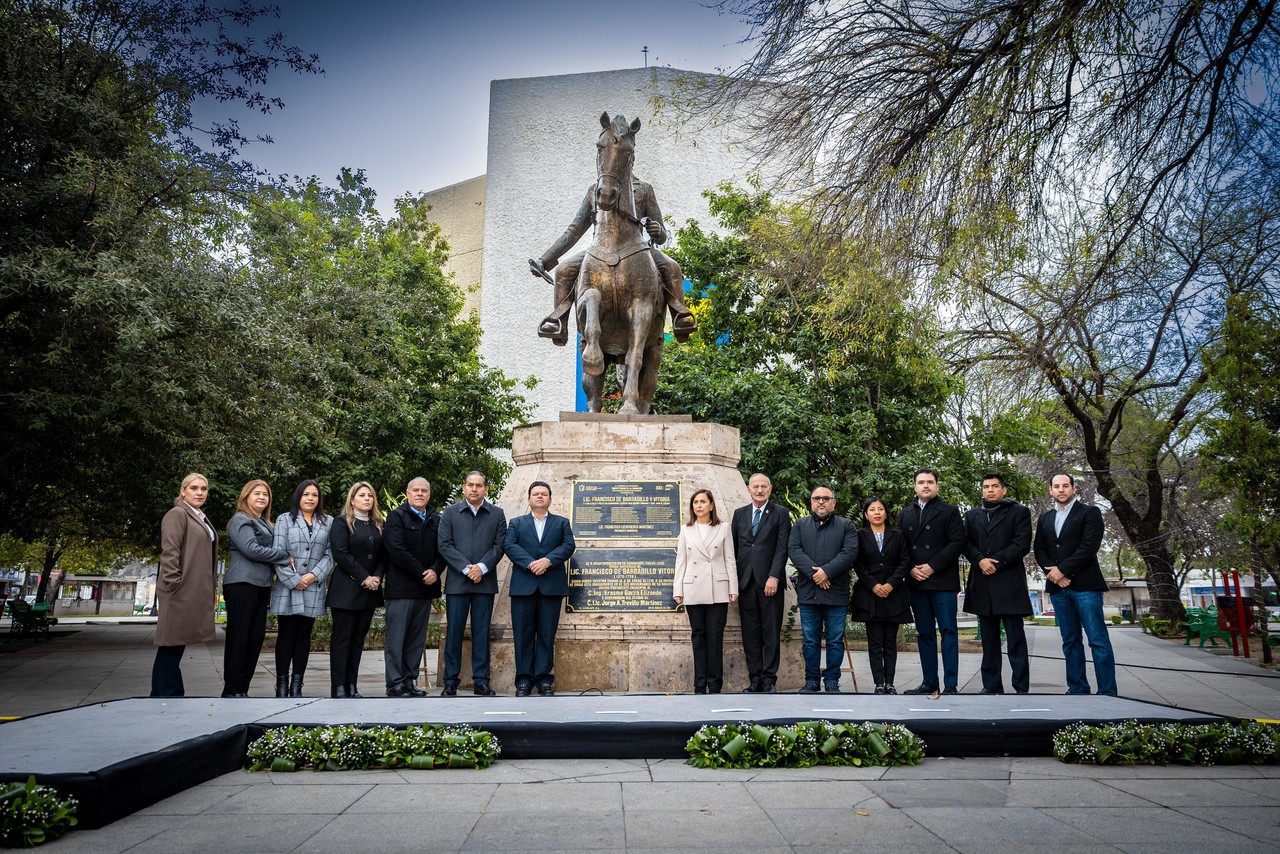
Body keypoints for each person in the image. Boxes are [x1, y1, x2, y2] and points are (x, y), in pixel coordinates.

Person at [529, 175, 696, 345]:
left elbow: (660, 234)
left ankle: (680, 317)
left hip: (636, 249)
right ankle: (559, 323)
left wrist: (658, 231)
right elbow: (574, 231)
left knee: (671, 267)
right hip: (599, 250)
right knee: (564, 270)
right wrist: (545, 260)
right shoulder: (594, 190)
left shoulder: (644, 189)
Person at [1034, 472, 1117, 696]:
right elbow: (1039, 550)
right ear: (1050, 490)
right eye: (1056, 486)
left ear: (1074, 489)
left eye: (1065, 486)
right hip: (1059, 590)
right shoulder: (1045, 518)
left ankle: (1108, 692)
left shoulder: (1090, 513)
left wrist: (1063, 570)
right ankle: (1078, 688)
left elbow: (1089, 547)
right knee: (1070, 642)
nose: (1061, 490)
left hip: (1086, 587)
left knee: (1098, 641)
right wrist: (1054, 574)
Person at [437, 471, 507, 696]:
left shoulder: (497, 514)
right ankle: (450, 681)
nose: (474, 489)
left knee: (481, 633)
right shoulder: (450, 513)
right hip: (458, 582)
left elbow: (500, 545)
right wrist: (468, 568)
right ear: (463, 487)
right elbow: (445, 545)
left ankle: (481, 681)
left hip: (484, 583)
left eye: (479, 485)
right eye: (470, 485)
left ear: (486, 489)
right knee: (454, 632)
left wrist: (482, 568)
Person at [963, 473, 1034, 694]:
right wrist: (979, 560)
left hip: (1009, 583)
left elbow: (1021, 544)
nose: (990, 490)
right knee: (989, 641)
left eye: (995, 486)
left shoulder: (1019, 512)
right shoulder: (971, 515)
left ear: (1003, 490)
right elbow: (965, 542)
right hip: (982, 585)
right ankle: (991, 686)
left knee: (1016, 640)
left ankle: (1021, 686)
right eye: (986, 487)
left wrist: (996, 562)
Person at [504, 481, 576, 696]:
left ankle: (545, 680)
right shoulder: (517, 523)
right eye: (535, 494)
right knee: (523, 635)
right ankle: (524, 681)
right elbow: (509, 546)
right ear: (529, 499)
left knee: (546, 634)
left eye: (544, 494)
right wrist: (530, 563)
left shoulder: (561, 523)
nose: (539, 497)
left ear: (550, 499)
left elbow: (568, 546)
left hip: (550, 587)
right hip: (523, 587)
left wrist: (547, 561)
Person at [898, 469, 966, 695]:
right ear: (914, 486)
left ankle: (951, 684)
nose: (925, 485)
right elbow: (899, 547)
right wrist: (910, 569)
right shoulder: (905, 514)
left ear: (937, 486)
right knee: (924, 633)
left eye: (930, 482)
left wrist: (932, 566)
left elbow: (956, 543)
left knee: (948, 632)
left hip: (943, 582)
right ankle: (929, 682)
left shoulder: (950, 511)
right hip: (917, 582)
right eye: (921, 482)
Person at [151, 473, 217, 698]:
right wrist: (173, 584)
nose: (200, 493)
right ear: (183, 491)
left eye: (204, 489)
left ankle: (170, 691)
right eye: (194, 488)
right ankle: (163, 693)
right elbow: (170, 551)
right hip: (177, 590)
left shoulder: (198, 515)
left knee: (176, 644)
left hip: (190, 590)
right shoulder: (177, 514)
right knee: (170, 644)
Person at [787, 485, 858, 693]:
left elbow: (849, 553)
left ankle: (832, 681)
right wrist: (816, 574)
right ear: (811, 502)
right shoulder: (800, 525)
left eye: (826, 498)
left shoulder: (846, 526)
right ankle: (811, 681)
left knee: (835, 641)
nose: (821, 502)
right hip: (809, 594)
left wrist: (826, 572)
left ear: (833, 503)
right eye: (816, 498)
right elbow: (794, 550)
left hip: (836, 593)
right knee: (810, 641)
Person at [223, 479, 289, 698]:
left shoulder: (266, 523)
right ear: (245, 497)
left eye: (265, 494)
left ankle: (243, 689)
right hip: (242, 584)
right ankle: (232, 690)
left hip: (261, 586)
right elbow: (251, 549)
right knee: (239, 638)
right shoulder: (241, 519)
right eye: (256, 493)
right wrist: (284, 557)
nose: (261, 497)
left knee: (255, 639)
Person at [382, 477, 444, 697]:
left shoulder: (436, 519)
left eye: (424, 490)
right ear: (407, 493)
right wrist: (421, 572)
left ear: (429, 494)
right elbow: (395, 549)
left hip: (425, 590)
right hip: (401, 590)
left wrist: (435, 570)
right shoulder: (396, 517)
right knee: (396, 640)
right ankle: (395, 684)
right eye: (416, 490)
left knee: (416, 641)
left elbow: (442, 549)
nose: (420, 494)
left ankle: (409, 681)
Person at [271, 480, 333, 698]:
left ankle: (297, 685)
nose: (310, 498)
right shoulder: (284, 520)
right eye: (306, 494)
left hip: (313, 586)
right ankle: (281, 685)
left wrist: (313, 575)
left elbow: (330, 554)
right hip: (288, 586)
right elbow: (278, 552)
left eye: (314, 495)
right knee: (286, 634)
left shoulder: (328, 522)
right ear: (298, 497)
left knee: (304, 635)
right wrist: (293, 579)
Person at [730, 473, 792, 693]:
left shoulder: (781, 513)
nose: (759, 490)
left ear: (770, 489)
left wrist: (774, 576)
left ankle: (769, 680)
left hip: (770, 583)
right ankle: (754, 679)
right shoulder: (739, 514)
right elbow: (734, 550)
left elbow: (782, 548)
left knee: (770, 632)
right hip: (745, 583)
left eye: (763, 486)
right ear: (748, 490)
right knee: (751, 634)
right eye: (755, 487)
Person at [673, 488, 738, 694]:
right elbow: (680, 561)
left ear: (711, 505)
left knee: (715, 636)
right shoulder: (686, 530)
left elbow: (730, 559)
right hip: (693, 588)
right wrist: (678, 588)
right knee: (698, 636)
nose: (698, 506)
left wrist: (733, 587)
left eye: (702, 502)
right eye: (695, 502)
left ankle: (715, 683)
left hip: (718, 588)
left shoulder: (723, 528)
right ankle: (700, 684)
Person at [328, 482, 386, 699]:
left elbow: (383, 556)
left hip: (369, 592)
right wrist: (364, 577)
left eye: (370, 495)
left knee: (358, 640)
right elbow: (341, 553)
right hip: (346, 590)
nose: (367, 499)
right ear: (352, 500)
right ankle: (339, 687)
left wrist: (377, 577)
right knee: (342, 639)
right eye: (362, 495)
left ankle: (352, 685)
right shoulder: (341, 522)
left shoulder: (378, 523)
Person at [849, 498, 913, 694]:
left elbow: (905, 561)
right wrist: (874, 585)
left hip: (894, 594)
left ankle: (890, 683)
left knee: (890, 642)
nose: (876, 512)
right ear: (866, 514)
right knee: (875, 641)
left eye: (880, 509)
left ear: (886, 513)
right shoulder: (859, 535)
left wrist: (891, 584)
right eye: (872, 509)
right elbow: (857, 563)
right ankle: (879, 683)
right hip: (870, 595)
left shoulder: (897, 534)